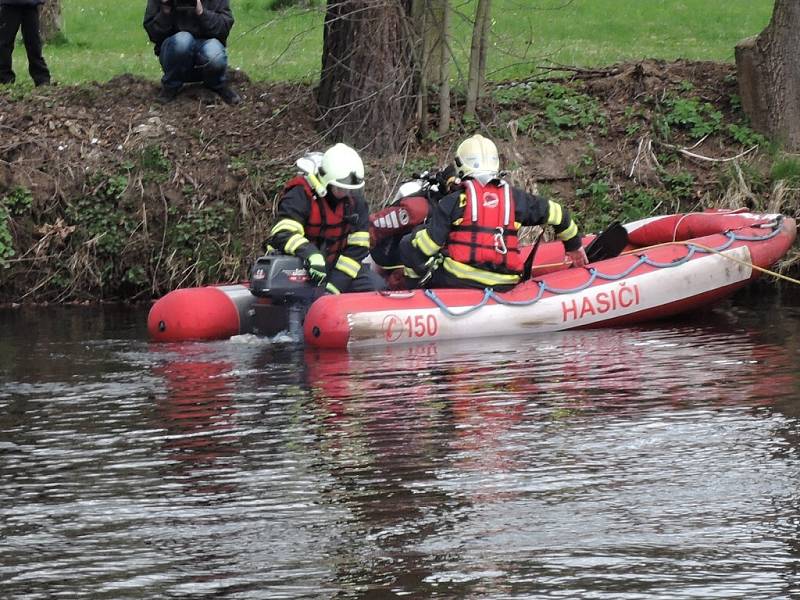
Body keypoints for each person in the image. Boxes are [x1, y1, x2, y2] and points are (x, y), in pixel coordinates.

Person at [399, 134, 588, 291]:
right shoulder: (515, 199)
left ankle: (414, 296)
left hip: (459, 281)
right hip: (505, 284)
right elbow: (559, 214)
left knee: (409, 243)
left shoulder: (453, 202)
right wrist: (574, 246)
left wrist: (416, 240)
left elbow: (427, 247)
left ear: (460, 165)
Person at [267, 143, 385, 295]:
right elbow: (282, 233)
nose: (346, 193)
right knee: (300, 299)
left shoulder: (355, 202)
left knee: (375, 286)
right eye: (340, 188)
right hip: (301, 265)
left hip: (336, 267)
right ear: (326, 183)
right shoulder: (301, 194)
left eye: (350, 189)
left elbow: (357, 249)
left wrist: (335, 286)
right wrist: (310, 253)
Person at [143, 0, 239, 105]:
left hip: (206, 46)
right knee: (183, 40)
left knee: (214, 52)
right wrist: (166, 10)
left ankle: (217, 84)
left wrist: (201, 11)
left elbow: (223, 28)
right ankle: (171, 86)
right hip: (174, 49)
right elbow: (153, 34)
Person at [0, 0, 50, 86]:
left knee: (34, 43)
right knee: (5, 43)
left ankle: (42, 79)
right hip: (9, 5)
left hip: (30, 5)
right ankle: (4, 79)